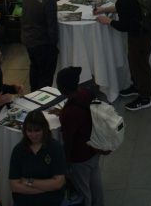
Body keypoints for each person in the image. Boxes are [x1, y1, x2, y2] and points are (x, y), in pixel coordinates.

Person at [94, 0, 151, 111]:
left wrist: (107, 21)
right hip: (147, 29)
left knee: (140, 64)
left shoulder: (123, 0)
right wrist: (105, 10)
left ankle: (145, 97)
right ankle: (136, 86)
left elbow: (124, 26)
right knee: (134, 62)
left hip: (139, 36)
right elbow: (124, 9)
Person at [56, 67, 106, 206]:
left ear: (63, 88)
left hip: (80, 158)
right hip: (94, 149)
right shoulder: (86, 93)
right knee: (96, 183)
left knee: (83, 190)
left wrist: (66, 162)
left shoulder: (68, 113)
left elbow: (68, 141)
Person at [8, 110, 67, 206]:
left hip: (51, 202)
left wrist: (29, 181)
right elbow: (14, 186)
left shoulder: (55, 148)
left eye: (37, 130)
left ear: (44, 129)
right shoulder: (18, 150)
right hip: (25, 202)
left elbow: (59, 182)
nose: (33, 135)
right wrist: (46, 188)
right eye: (29, 131)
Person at [21, 0, 59, 91]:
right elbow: (52, 27)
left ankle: (33, 93)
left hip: (27, 39)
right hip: (42, 43)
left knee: (35, 68)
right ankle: (44, 98)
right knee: (45, 74)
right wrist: (54, 46)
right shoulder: (49, 0)